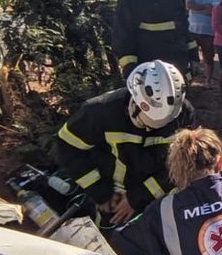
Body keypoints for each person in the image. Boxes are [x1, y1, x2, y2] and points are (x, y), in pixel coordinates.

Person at [54, 60, 195, 227]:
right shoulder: (99, 113)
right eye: (149, 122)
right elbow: (66, 147)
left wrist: (139, 197)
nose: (156, 128)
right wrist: (100, 191)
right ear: (136, 103)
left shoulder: (183, 114)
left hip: (160, 194)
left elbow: (182, 162)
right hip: (114, 198)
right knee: (110, 242)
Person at [187, 0, 220, 85]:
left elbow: (213, 11)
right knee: (191, 56)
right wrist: (205, 8)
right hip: (193, 31)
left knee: (208, 58)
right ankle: (190, 79)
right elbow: (189, 6)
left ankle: (208, 81)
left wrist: (196, 9)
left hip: (208, 33)